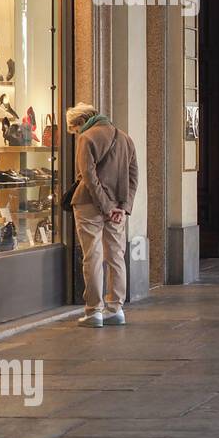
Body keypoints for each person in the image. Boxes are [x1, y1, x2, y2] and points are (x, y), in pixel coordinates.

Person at [66, 102, 138, 326]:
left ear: (80, 122)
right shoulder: (125, 138)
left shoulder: (87, 138)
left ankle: (93, 311)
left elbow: (88, 176)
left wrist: (105, 207)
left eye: (74, 129)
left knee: (93, 256)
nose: (76, 133)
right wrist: (123, 207)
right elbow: (133, 176)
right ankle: (116, 308)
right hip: (117, 208)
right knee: (116, 256)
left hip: (89, 205)